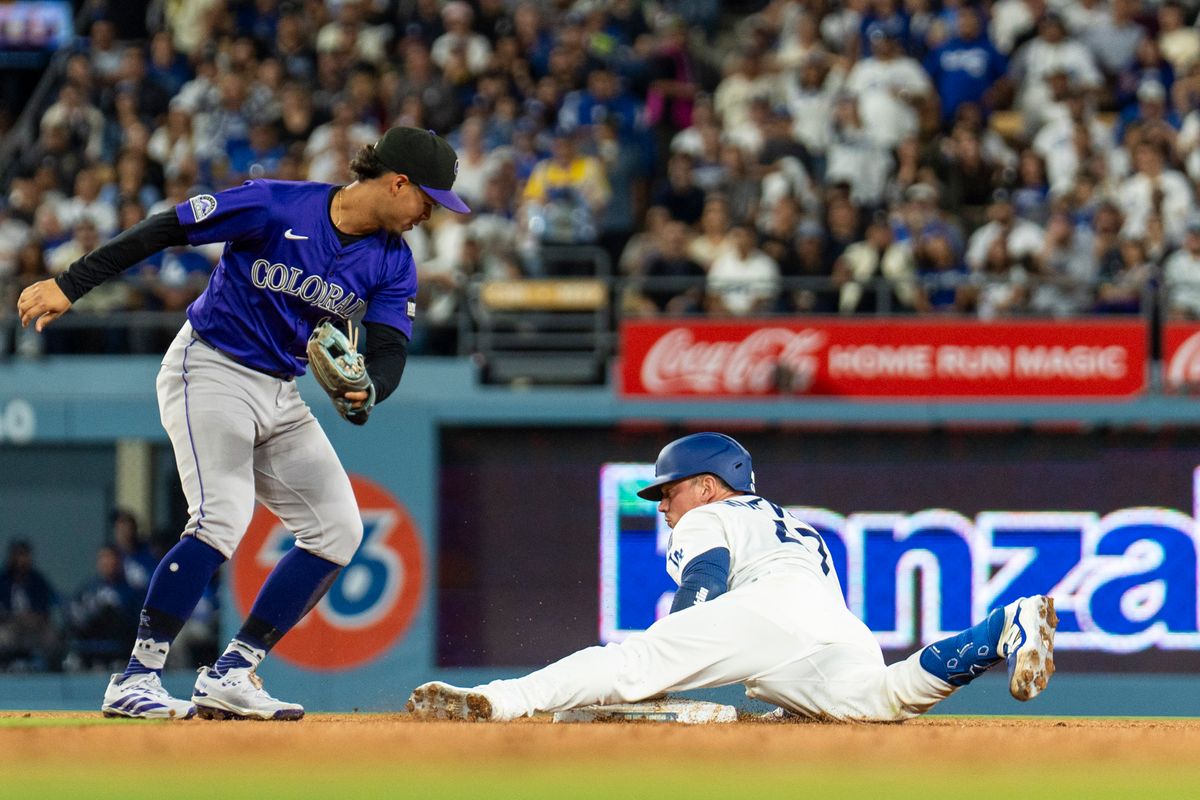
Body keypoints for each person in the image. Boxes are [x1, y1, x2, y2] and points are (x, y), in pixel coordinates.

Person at [16, 126, 471, 720]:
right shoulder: (276, 203)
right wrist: (70, 284)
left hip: (280, 390)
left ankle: (232, 671)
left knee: (339, 529)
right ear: (397, 182)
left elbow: (388, 351)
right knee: (221, 517)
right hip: (209, 367)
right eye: (427, 201)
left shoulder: (393, 262)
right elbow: (167, 227)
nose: (428, 216)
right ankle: (136, 677)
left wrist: (369, 390)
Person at [408, 432, 1057, 723]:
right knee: (885, 699)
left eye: (668, 492)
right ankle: (1003, 626)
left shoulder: (709, 513)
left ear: (706, 485)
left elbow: (705, 581)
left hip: (766, 613)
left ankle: (500, 699)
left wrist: (662, 666)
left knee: (632, 664)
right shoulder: (784, 519)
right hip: (836, 628)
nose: (662, 505)